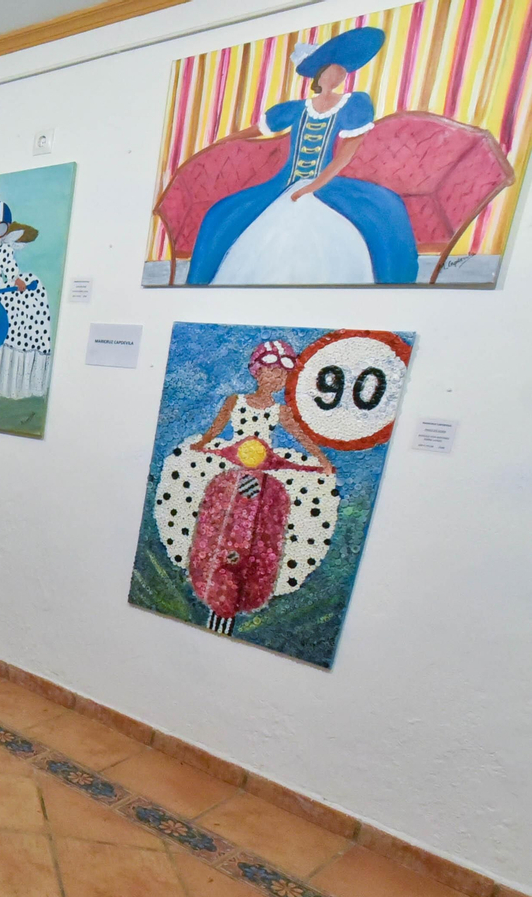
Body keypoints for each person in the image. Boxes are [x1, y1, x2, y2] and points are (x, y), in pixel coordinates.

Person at [185, 27, 418, 285]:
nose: (341, 72)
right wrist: (223, 141)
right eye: (335, 67)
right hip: (283, 183)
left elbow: (346, 154)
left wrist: (314, 187)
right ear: (320, 74)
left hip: (327, 183)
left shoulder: (355, 103)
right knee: (222, 214)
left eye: (343, 68)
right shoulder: (296, 108)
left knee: (386, 210)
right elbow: (257, 130)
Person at [156, 339, 339, 635]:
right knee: (219, 524)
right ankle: (214, 589)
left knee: (257, 532)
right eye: (270, 371)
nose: (275, 379)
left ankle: (243, 592)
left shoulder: (280, 411)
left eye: (281, 375)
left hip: (265, 469)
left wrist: (322, 460)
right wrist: (202, 445)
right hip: (231, 464)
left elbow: (301, 437)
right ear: (256, 371)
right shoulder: (235, 401)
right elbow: (215, 429)